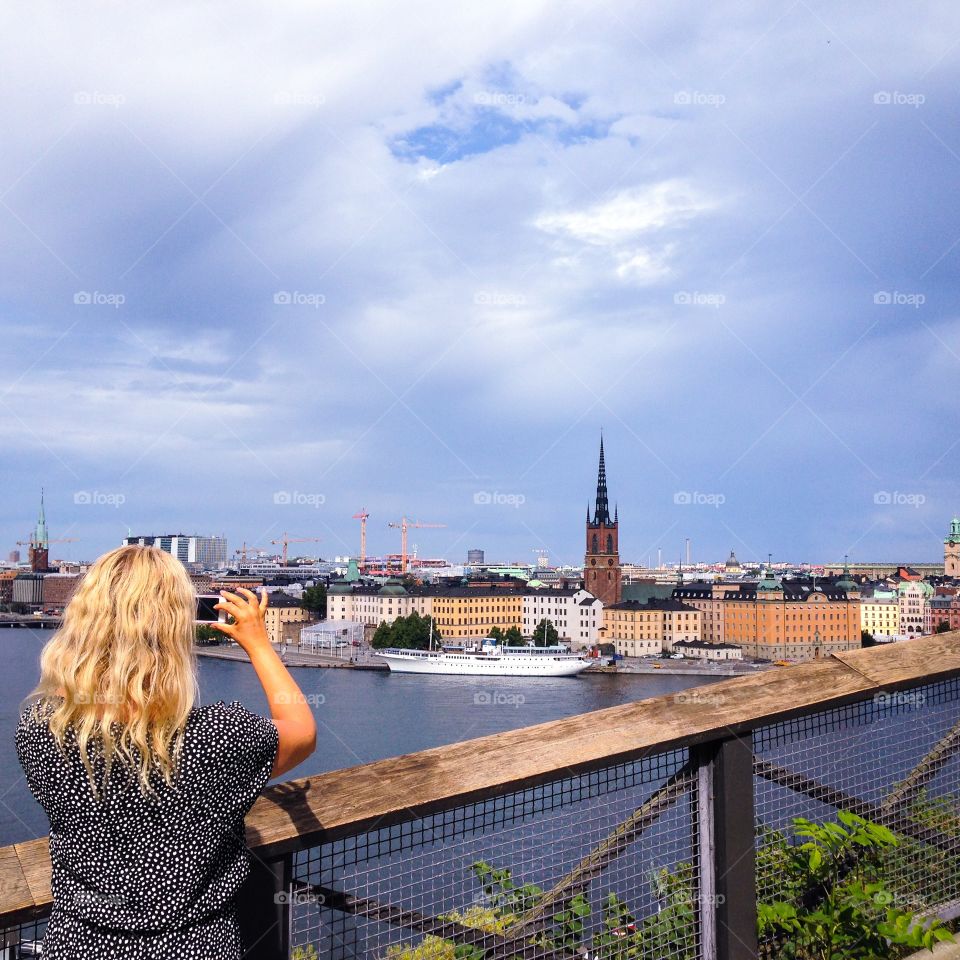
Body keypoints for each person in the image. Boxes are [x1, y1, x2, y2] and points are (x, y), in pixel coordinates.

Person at [14, 545, 317, 959]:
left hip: (78, 944)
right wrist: (259, 645)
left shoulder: (38, 731)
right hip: (194, 946)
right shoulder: (217, 734)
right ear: (175, 628)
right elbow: (301, 731)